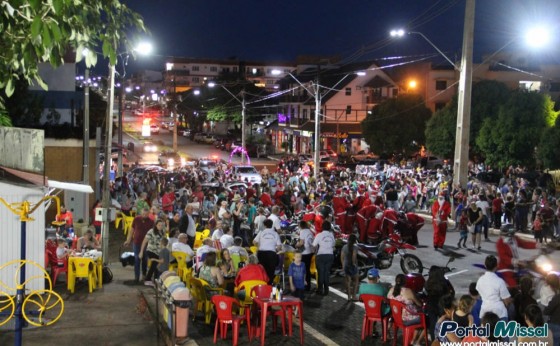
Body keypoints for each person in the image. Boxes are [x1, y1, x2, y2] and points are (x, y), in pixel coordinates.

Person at [387, 274, 425, 345]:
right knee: (425, 319)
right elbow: (420, 304)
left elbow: (388, 299)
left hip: (395, 318)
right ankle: (416, 341)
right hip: (406, 320)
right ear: (405, 282)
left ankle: (413, 339)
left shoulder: (391, 289)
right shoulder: (408, 291)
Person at [476, 255, 512, 322]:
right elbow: (507, 300)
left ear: (485, 265)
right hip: (500, 313)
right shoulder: (499, 281)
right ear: (497, 266)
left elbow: (479, 294)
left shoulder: (480, 280)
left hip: (484, 313)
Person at [124, 207, 155, 284]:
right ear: (141, 213)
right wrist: (128, 240)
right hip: (136, 243)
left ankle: (144, 276)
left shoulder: (151, 222)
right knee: (137, 260)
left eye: (146, 214)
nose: (144, 215)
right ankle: (136, 277)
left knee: (145, 260)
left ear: (148, 214)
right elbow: (131, 230)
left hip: (146, 244)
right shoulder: (136, 219)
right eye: (143, 214)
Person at [425, 266, 455, 341]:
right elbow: (452, 292)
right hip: (442, 305)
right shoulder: (444, 282)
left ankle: (434, 340)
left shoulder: (428, 283)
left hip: (431, 305)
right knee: (445, 323)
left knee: (433, 323)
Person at [358, 268, 391, 337]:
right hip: (381, 312)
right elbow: (387, 300)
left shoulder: (362, 287)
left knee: (376, 306)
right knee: (390, 310)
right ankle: (386, 333)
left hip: (369, 311)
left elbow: (360, 298)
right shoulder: (382, 288)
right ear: (377, 277)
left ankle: (373, 329)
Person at [253, 218, 282, 285]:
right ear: (272, 225)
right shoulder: (275, 234)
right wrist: (276, 249)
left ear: (264, 225)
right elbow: (279, 246)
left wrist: (259, 246)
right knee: (270, 272)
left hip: (261, 254)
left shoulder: (261, 232)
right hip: (271, 254)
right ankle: (269, 286)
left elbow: (254, 241)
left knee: (262, 271)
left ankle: (262, 285)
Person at [312, 221, 335, 296]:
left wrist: (314, 252)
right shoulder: (331, 235)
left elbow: (314, 245)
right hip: (330, 255)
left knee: (321, 273)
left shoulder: (319, 235)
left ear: (322, 227)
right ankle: (326, 290)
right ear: (329, 228)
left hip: (321, 255)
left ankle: (320, 290)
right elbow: (333, 244)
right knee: (326, 272)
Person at [140, 219, 166, 284]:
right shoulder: (151, 231)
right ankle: (148, 279)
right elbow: (144, 241)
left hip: (158, 252)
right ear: (156, 225)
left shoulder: (162, 232)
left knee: (158, 264)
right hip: (150, 250)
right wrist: (141, 251)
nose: (160, 226)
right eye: (159, 225)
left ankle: (155, 280)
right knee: (155, 262)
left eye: (161, 225)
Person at [295, 220, 315, 291]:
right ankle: (308, 286)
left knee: (301, 270)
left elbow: (301, 243)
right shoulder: (310, 231)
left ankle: (301, 285)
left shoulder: (302, 231)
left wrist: (296, 245)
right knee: (307, 270)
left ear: (300, 226)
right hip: (310, 252)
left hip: (304, 253)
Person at [341, 233, 359, 301]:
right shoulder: (355, 247)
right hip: (352, 266)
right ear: (355, 240)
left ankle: (348, 297)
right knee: (356, 281)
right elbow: (354, 256)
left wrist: (343, 265)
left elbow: (342, 257)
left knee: (348, 281)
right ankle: (354, 296)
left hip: (346, 265)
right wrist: (354, 263)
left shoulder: (344, 247)